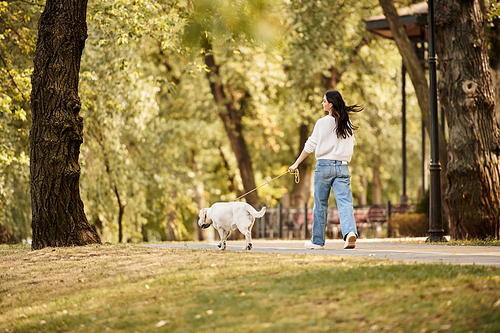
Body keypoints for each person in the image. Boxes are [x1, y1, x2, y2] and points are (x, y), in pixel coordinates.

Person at [288, 90, 362, 250]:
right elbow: (352, 144)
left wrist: (296, 164)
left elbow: (310, 145)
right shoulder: (347, 123)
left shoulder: (322, 123)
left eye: (324, 101)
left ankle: (318, 241)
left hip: (324, 167)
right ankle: (350, 233)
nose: (322, 103)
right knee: (345, 203)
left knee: (320, 204)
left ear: (331, 104)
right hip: (342, 166)